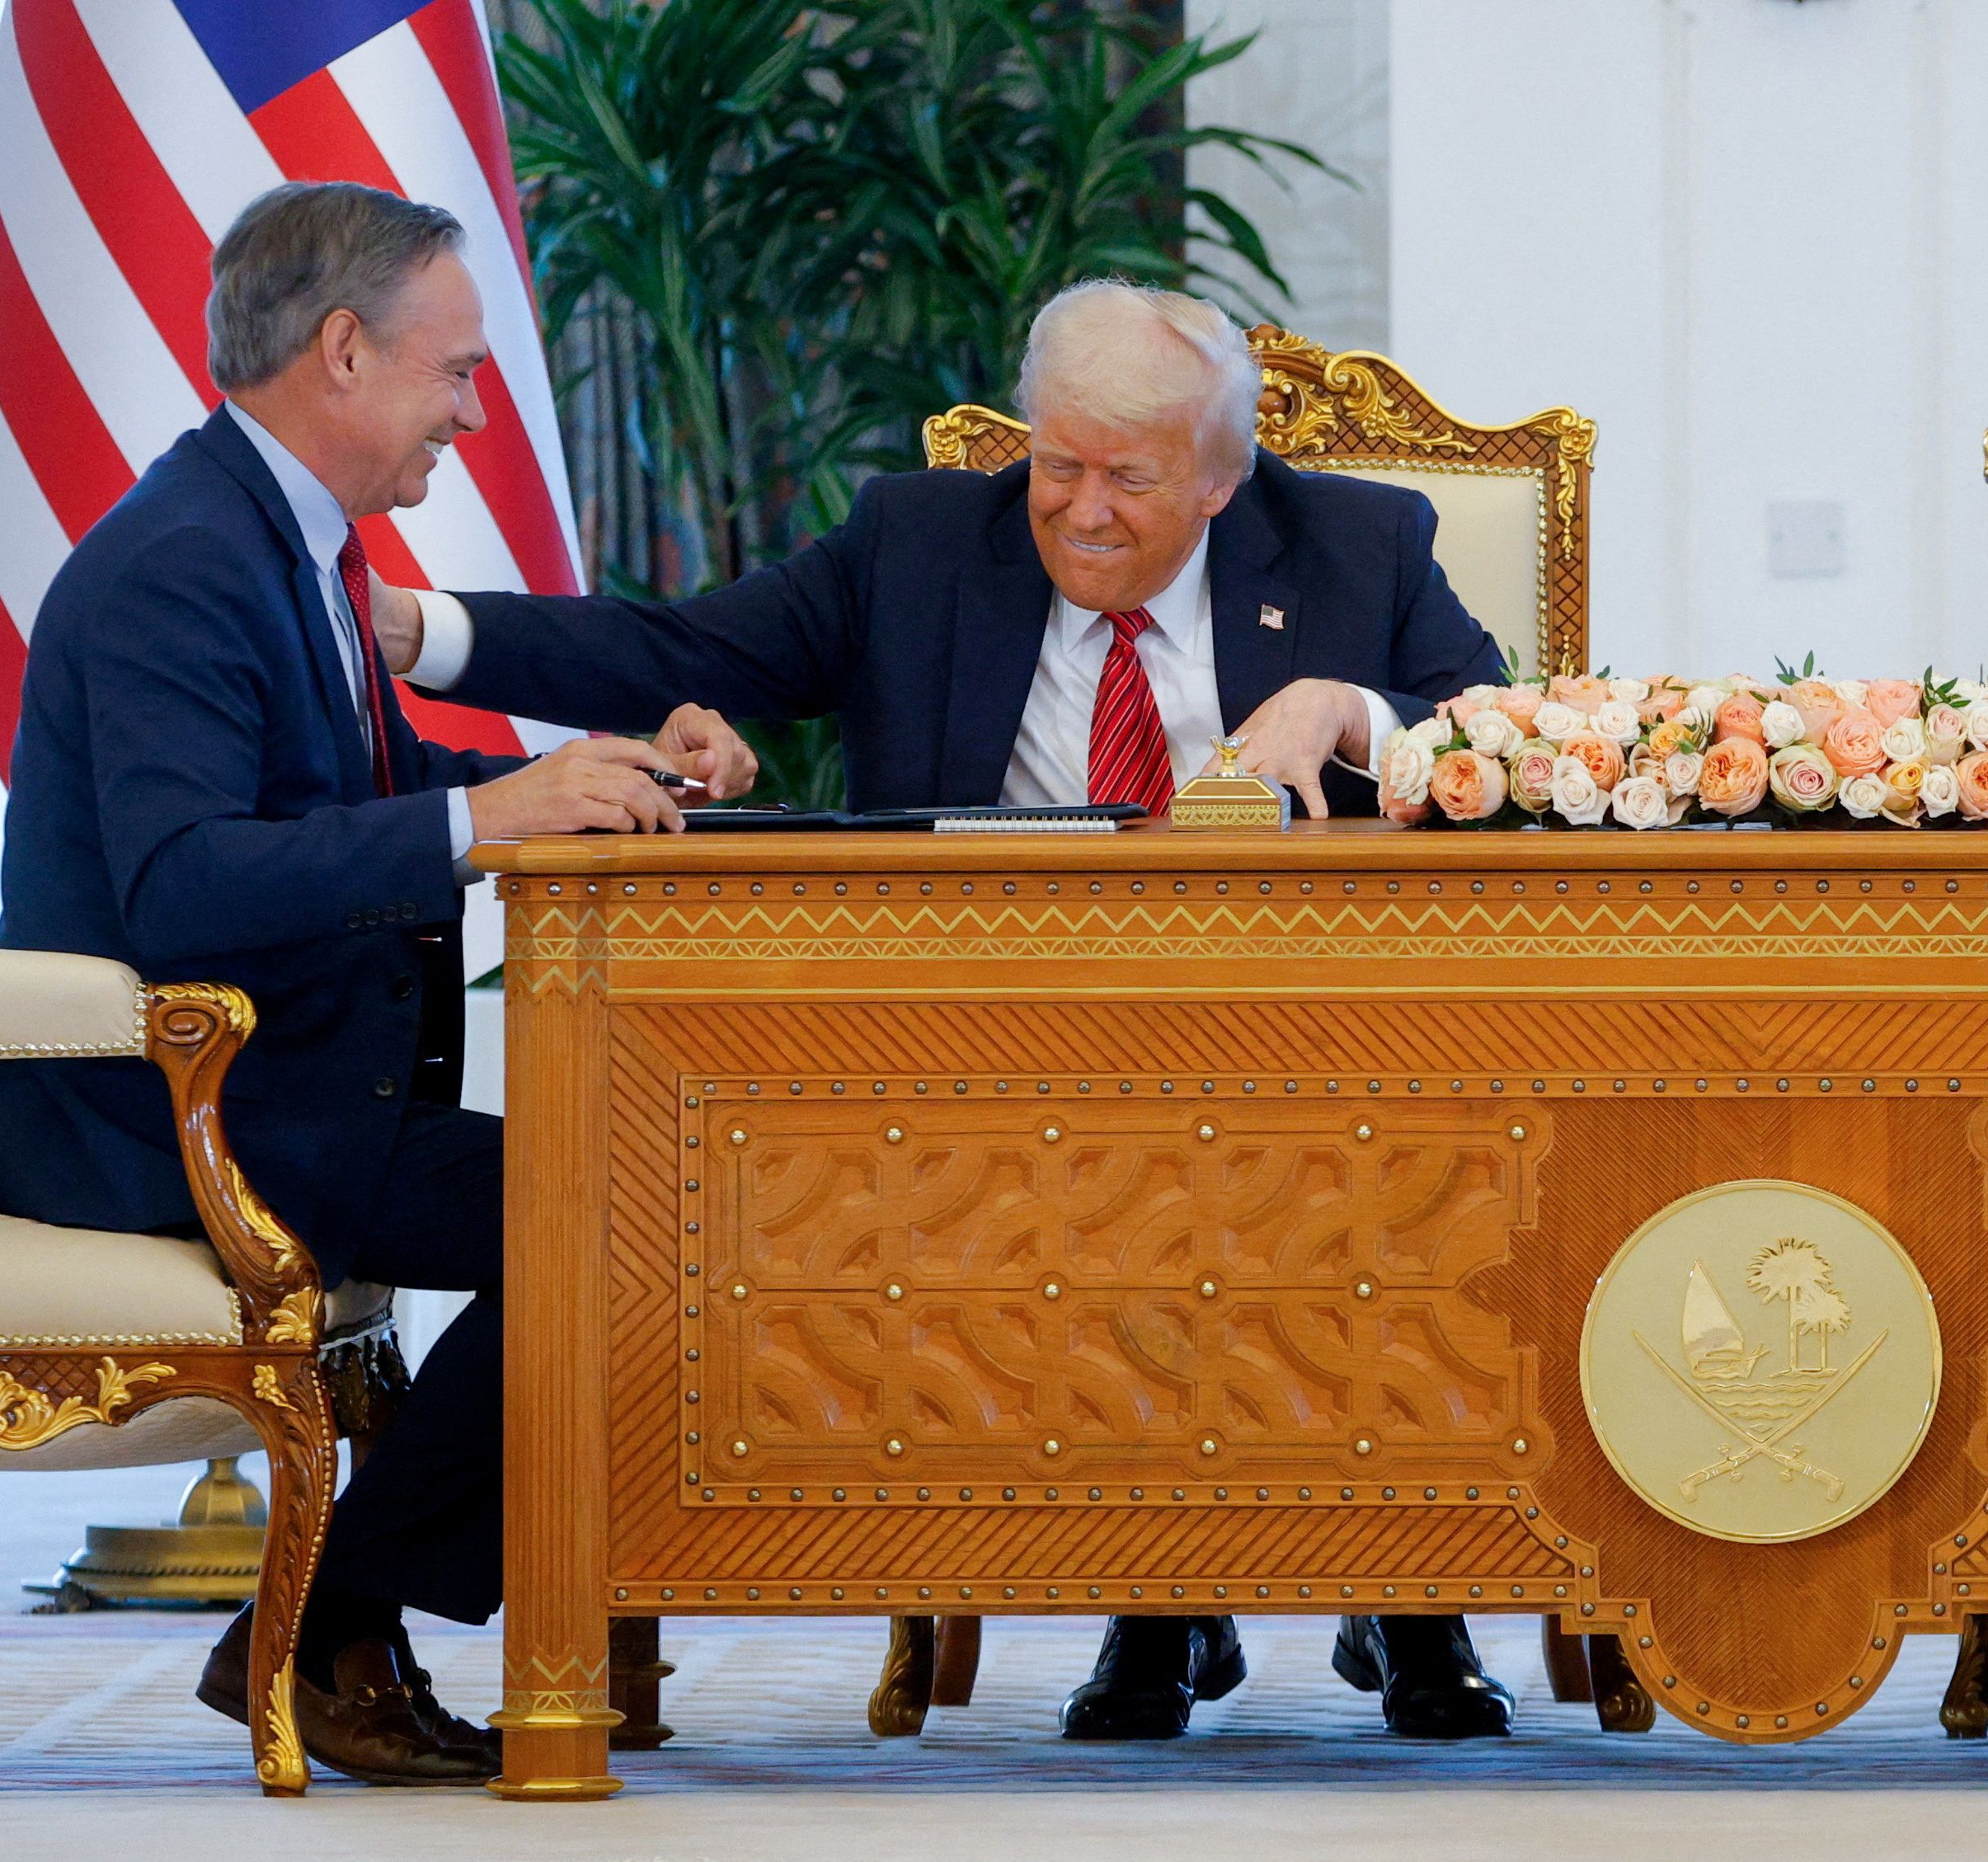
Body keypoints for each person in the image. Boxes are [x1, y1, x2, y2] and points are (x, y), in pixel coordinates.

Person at [367, 277, 1519, 1741]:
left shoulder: (1359, 542)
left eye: (1130, 477)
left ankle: (1412, 1598)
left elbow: (1507, 744)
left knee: (1340, 1156)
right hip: (987, 1053)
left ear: (1224, 478)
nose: (1082, 511)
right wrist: (422, 631)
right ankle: (1157, 1602)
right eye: (1056, 465)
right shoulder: (919, 544)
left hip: (1309, 1037)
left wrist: (1347, 710)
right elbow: (681, 651)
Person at [0, 181, 756, 1786]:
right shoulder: (181, 563)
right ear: (345, 352)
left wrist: (582, 777)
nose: (478, 415)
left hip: (286, 1093)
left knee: (647, 1193)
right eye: (459, 373)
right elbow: (186, 881)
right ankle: (330, 1628)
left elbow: (337, 782)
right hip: (158, 1116)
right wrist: (482, 819)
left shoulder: (280, 536)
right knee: (625, 1215)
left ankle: (345, 1621)